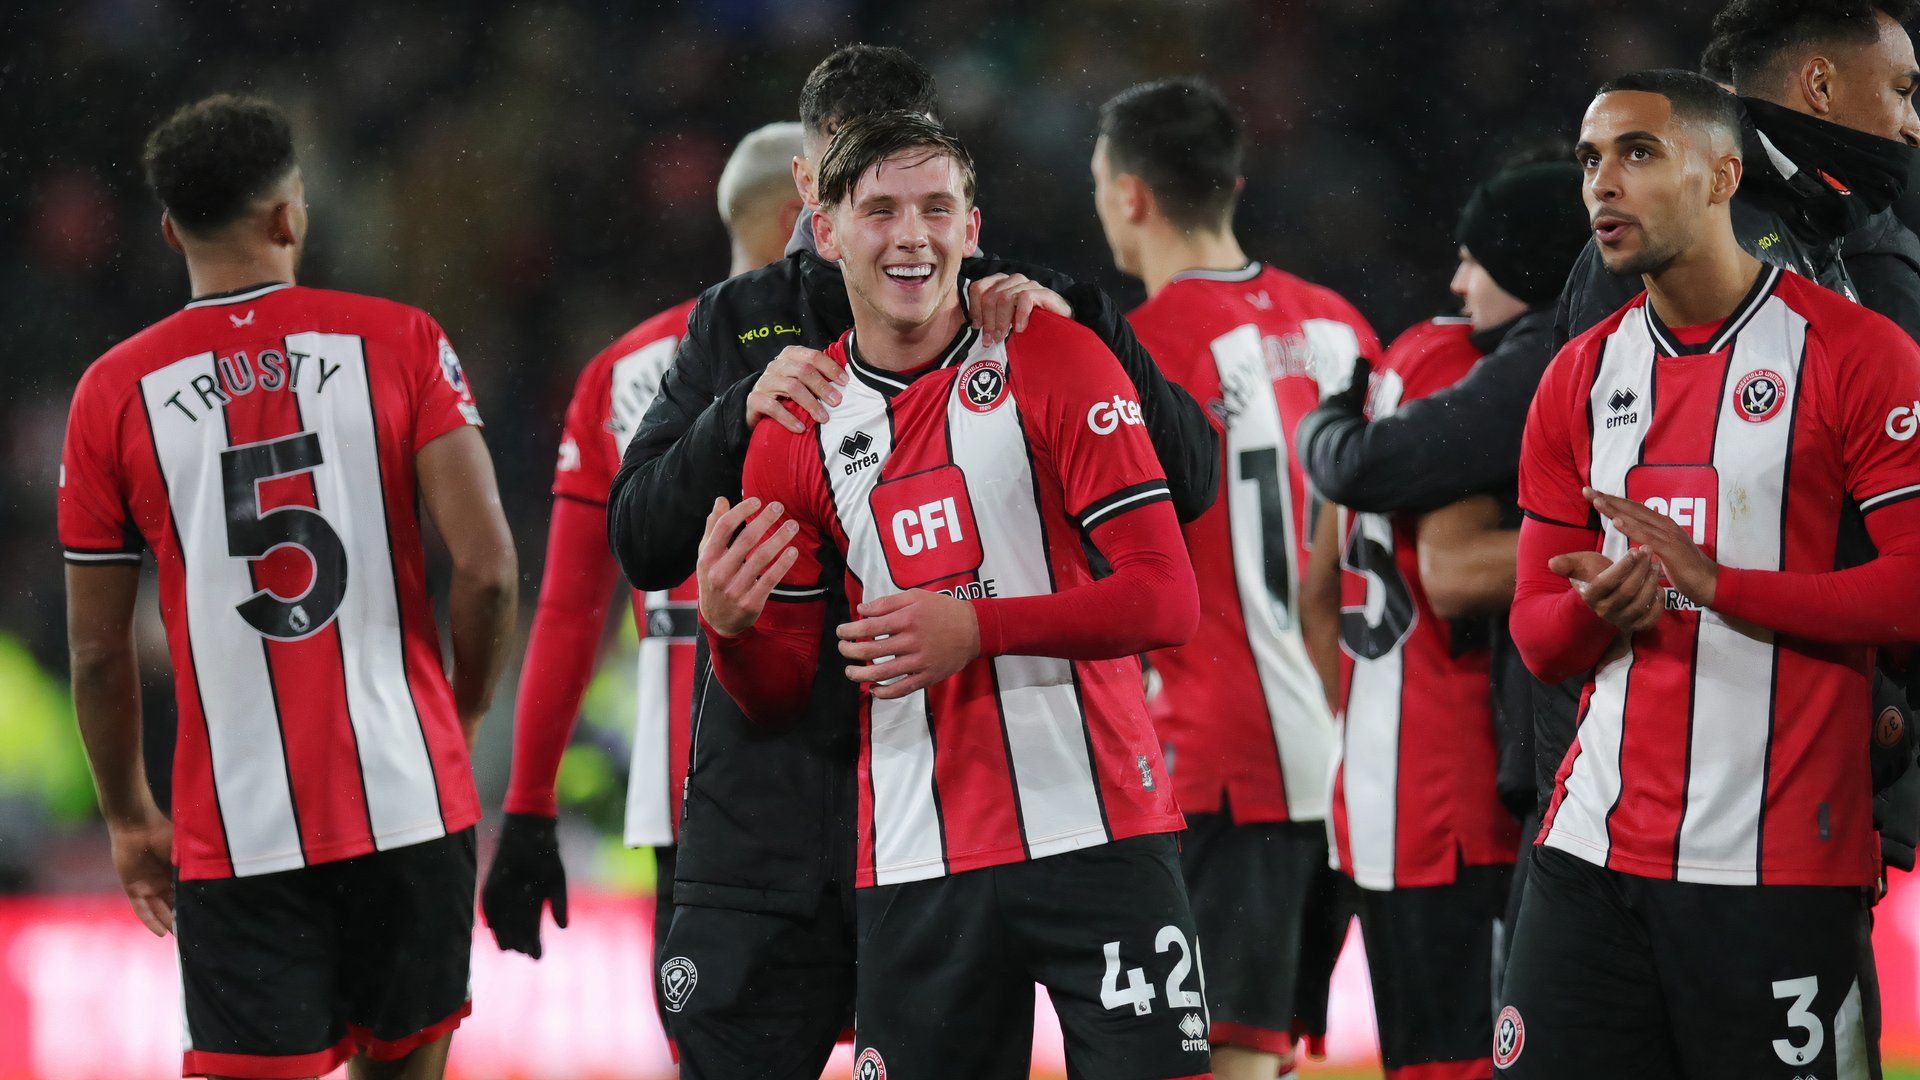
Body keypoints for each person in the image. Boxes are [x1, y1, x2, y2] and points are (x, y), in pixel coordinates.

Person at [605, 44, 1220, 1079]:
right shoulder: (749, 340)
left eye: (929, 200)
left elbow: (1182, 510)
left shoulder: (1035, 321)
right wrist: (733, 426)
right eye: (869, 195)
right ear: (816, 200)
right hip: (801, 817)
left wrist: (1088, 325)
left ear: (966, 212)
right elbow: (641, 537)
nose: (905, 230)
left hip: (1043, 799)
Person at [58, 95, 517, 1080]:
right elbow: (487, 571)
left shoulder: (112, 393)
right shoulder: (399, 340)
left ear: (171, 229)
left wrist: (129, 816)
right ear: (288, 215)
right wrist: (464, 710)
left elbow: (96, 652)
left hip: (237, 827)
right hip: (406, 799)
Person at [1501, 69, 1920, 1078]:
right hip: (1593, 853)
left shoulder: (1858, 355)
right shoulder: (1579, 375)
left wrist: (1723, 586)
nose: (1603, 183)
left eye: (1638, 153)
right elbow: (1537, 635)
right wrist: (1598, 612)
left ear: (1725, 175)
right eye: (1590, 160)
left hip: (1781, 866)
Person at [479, 123, 804, 1011]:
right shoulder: (874, 353)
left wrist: (530, 805)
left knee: (719, 1055)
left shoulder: (621, 373)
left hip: (689, 807)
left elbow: (569, 611)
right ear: (800, 214)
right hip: (852, 786)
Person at [1090, 77, 1367, 1080]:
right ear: (1232, 186)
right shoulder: (1343, 329)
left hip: (1218, 764)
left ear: (1128, 195)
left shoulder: (1138, 354)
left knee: (1213, 1059)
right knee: (1264, 1055)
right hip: (1343, 755)